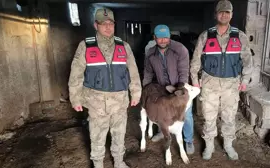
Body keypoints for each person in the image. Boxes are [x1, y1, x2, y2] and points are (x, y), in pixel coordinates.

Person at [68, 8, 141, 168]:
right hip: (96, 102)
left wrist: (136, 93)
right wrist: (75, 98)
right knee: (97, 136)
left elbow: (133, 72)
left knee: (119, 134)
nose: (108, 27)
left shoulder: (124, 46)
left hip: (120, 100)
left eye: (111, 23)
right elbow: (76, 75)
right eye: (103, 23)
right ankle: (98, 164)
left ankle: (119, 162)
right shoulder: (86, 46)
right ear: (96, 25)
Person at [190, 0, 253, 161]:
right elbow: (196, 60)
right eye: (221, 12)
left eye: (227, 12)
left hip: (231, 83)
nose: (224, 15)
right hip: (209, 81)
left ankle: (228, 145)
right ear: (215, 14)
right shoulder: (206, 35)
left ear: (231, 15)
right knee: (209, 116)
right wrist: (195, 80)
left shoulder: (240, 36)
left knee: (229, 116)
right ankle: (209, 145)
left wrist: (245, 79)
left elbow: (247, 60)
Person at [142, 24, 195, 154]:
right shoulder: (150, 53)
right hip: (162, 87)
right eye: (160, 38)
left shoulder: (180, 49)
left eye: (165, 37)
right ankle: (162, 131)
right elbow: (148, 73)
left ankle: (188, 140)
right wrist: (146, 89)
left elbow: (184, 70)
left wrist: (180, 89)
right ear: (154, 38)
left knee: (185, 114)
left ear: (169, 36)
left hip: (179, 87)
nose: (163, 40)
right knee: (163, 111)